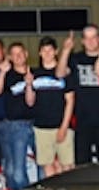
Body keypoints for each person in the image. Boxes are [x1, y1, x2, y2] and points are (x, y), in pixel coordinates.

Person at [57, 24, 99, 164]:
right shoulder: (75, 59)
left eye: (93, 37)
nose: (90, 41)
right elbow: (59, 73)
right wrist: (65, 51)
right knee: (82, 164)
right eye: (87, 38)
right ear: (82, 41)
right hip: (82, 120)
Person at [0, 42, 37, 190]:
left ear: (26, 54)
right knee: (9, 170)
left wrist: (29, 84)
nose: (18, 56)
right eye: (14, 54)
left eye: (20, 53)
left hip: (26, 125)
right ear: (10, 57)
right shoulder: (8, 74)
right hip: (8, 125)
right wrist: (2, 72)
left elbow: (31, 102)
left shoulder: (34, 73)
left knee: (19, 173)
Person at [31, 36, 75, 177]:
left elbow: (70, 101)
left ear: (56, 51)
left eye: (50, 50)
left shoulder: (65, 72)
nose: (47, 53)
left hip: (61, 127)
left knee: (67, 166)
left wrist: (64, 127)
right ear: (39, 53)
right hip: (41, 127)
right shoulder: (34, 74)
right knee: (48, 167)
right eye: (44, 50)